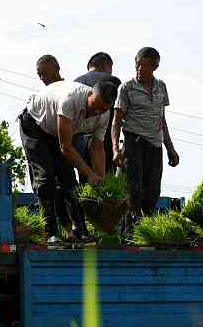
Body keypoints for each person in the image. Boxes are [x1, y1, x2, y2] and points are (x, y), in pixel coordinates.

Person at [18, 78, 119, 240]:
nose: (97, 111)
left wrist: (100, 178)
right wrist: (89, 174)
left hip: (60, 132)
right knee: (45, 179)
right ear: (90, 94)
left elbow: (97, 147)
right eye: (95, 105)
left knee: (70, 183)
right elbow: (65, 147)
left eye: (103, 109)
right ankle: (50, 232)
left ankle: (80, 231)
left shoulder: (104, 114)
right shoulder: (70, 100)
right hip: (35, 125)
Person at [112, 47, 180, 215]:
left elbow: (161, 120)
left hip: (155, 143)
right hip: (134, 141)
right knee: (134, 187)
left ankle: (146, 223)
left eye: (146, 65)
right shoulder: (126, 88)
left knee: (153, 189)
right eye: (138, 64)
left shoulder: (161, 87)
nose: (140, 69)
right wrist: (115, 149)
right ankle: (131, 226)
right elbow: (117, 121)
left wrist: (170, 148)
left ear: (155, 67)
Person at [73, 52, 116, 173]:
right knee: (106, 179)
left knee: (85, 177)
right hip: (104, 139)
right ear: (104, 66)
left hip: (78, 139)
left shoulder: (76, 83)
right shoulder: (111, 83)